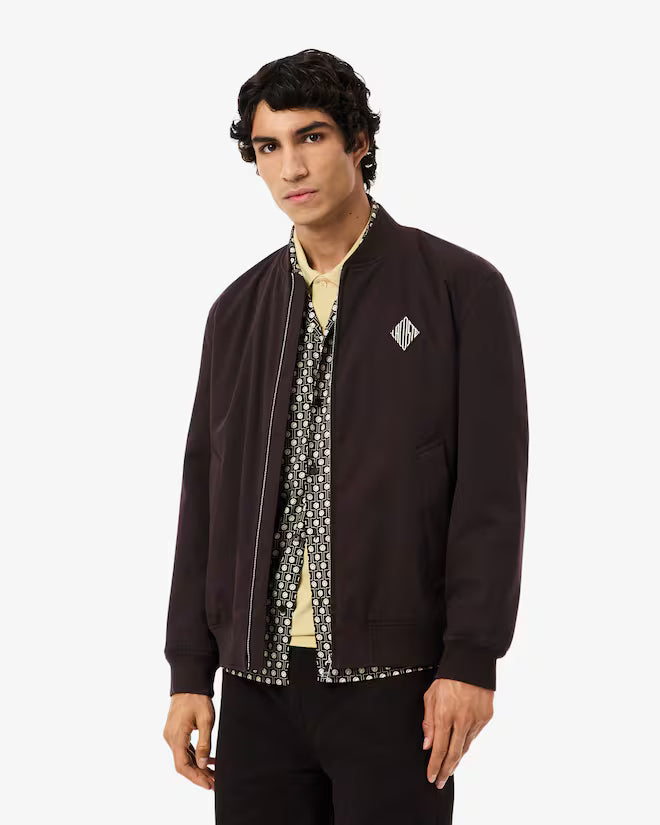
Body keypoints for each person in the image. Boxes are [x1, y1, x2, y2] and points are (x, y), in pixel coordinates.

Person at [162, 47, 529, 824]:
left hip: (395, 683)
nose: (291, 167)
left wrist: (471, 658)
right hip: (256, 686)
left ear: (359, 141)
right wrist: (189, 669)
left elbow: (491, 491)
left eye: (312, 137)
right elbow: (204, 496)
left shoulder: (460, 290)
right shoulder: (236, 313)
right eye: (269, 146)